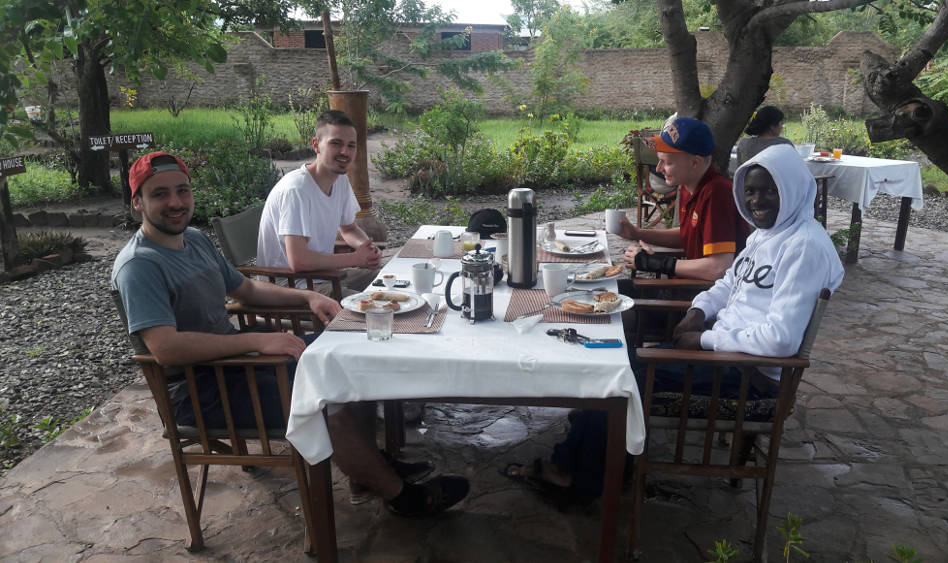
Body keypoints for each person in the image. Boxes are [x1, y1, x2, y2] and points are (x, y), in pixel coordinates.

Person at [113, 151, 468, 517]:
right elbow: (165, 348)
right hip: (201, 390)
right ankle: (403, 498)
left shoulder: (195, 240)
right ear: (137, 202)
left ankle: (370, 467)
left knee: (351, 357)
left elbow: (247, 290)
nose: (175, 202)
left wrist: (309, 296)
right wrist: (257, 340)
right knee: (324, 406)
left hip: (239, 365)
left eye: (182, 191)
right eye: (160, 194)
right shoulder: (140, 266)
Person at [507, 143, 844, 501]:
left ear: (792, 189)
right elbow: (728, 283)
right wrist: (697, 312)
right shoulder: (769, 234)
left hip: (750, 376)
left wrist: (704, 341)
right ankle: (600, 455)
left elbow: (781, 340)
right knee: (617, 359)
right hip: (726, 352)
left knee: (620, 374)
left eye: (770, 191)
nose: (758, 201)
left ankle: (576, 474)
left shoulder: (804, 246)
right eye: (751, 191)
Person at [257, 109, 382, 295]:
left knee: (389, 280)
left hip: (323, 276)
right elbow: (299, 261)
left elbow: (348, 229)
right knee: (373, 306)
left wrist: (367, 249)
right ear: (316, 145)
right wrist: (355, 258)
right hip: (292, 287)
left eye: (351, 145)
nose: (344, 152)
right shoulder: (296, 190)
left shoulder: (340, 180)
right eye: (336, 143)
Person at [616, 117, 751, 283]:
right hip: (690, 285)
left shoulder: (717, 193)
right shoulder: (689, 186)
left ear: (695, 163)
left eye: (667, 162)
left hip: (706, 297)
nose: (658, 169)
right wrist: (637, 233)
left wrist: (655, 263)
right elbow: (688, 234)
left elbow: (719, 268)